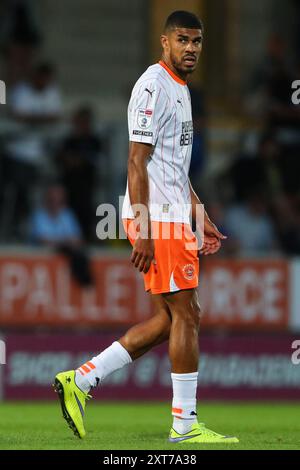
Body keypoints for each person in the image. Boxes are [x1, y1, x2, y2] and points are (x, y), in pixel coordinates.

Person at [54, 11, 238, 444]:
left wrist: (201, 213)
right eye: (183, 40)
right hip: (158, 218)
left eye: (197, 41)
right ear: (164, 41)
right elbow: (137, 160)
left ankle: (80, 380)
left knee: (167, 321)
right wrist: (143, 228)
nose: (191, 48)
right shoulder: (152, 86)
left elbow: (174, 168)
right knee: (188, 314)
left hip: (176, 215)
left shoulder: (182, 90)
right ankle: (184, 425)